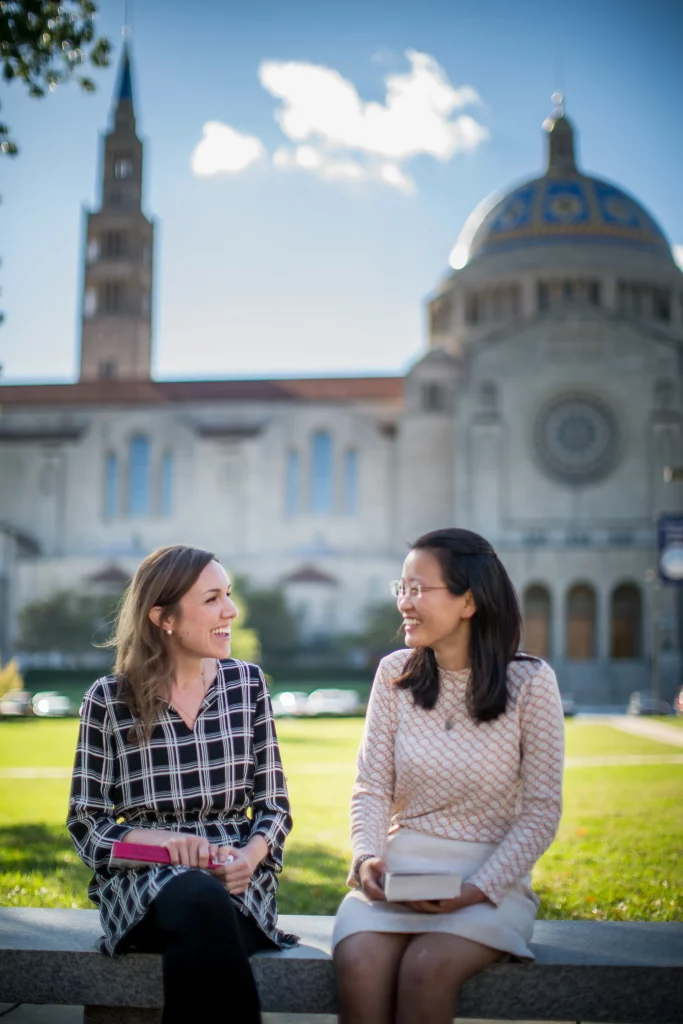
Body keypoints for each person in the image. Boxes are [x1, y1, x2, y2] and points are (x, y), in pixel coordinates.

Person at [333, 528, 564, 1024]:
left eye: (418, 589)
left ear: (469, 601)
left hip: (487, 882)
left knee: (426, 970)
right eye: (401, 588)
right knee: (357, 961)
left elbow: (542, 811)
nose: (404, 603)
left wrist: (477, 889)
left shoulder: (530, 682)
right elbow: (371, 787)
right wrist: (368, 856)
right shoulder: (394, 674)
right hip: (399, 871)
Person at [67, 545, 297, 1024]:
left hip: (240, 884)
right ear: (163, 618)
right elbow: (88, 827)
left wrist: (248, 861)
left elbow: (274, 808)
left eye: (228, 595)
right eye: (213, 599)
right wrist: (166, 847)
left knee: (206, 916)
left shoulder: (248, 685)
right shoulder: (108, 700)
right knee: (196, 900)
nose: (231, 610)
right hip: (145, 887)